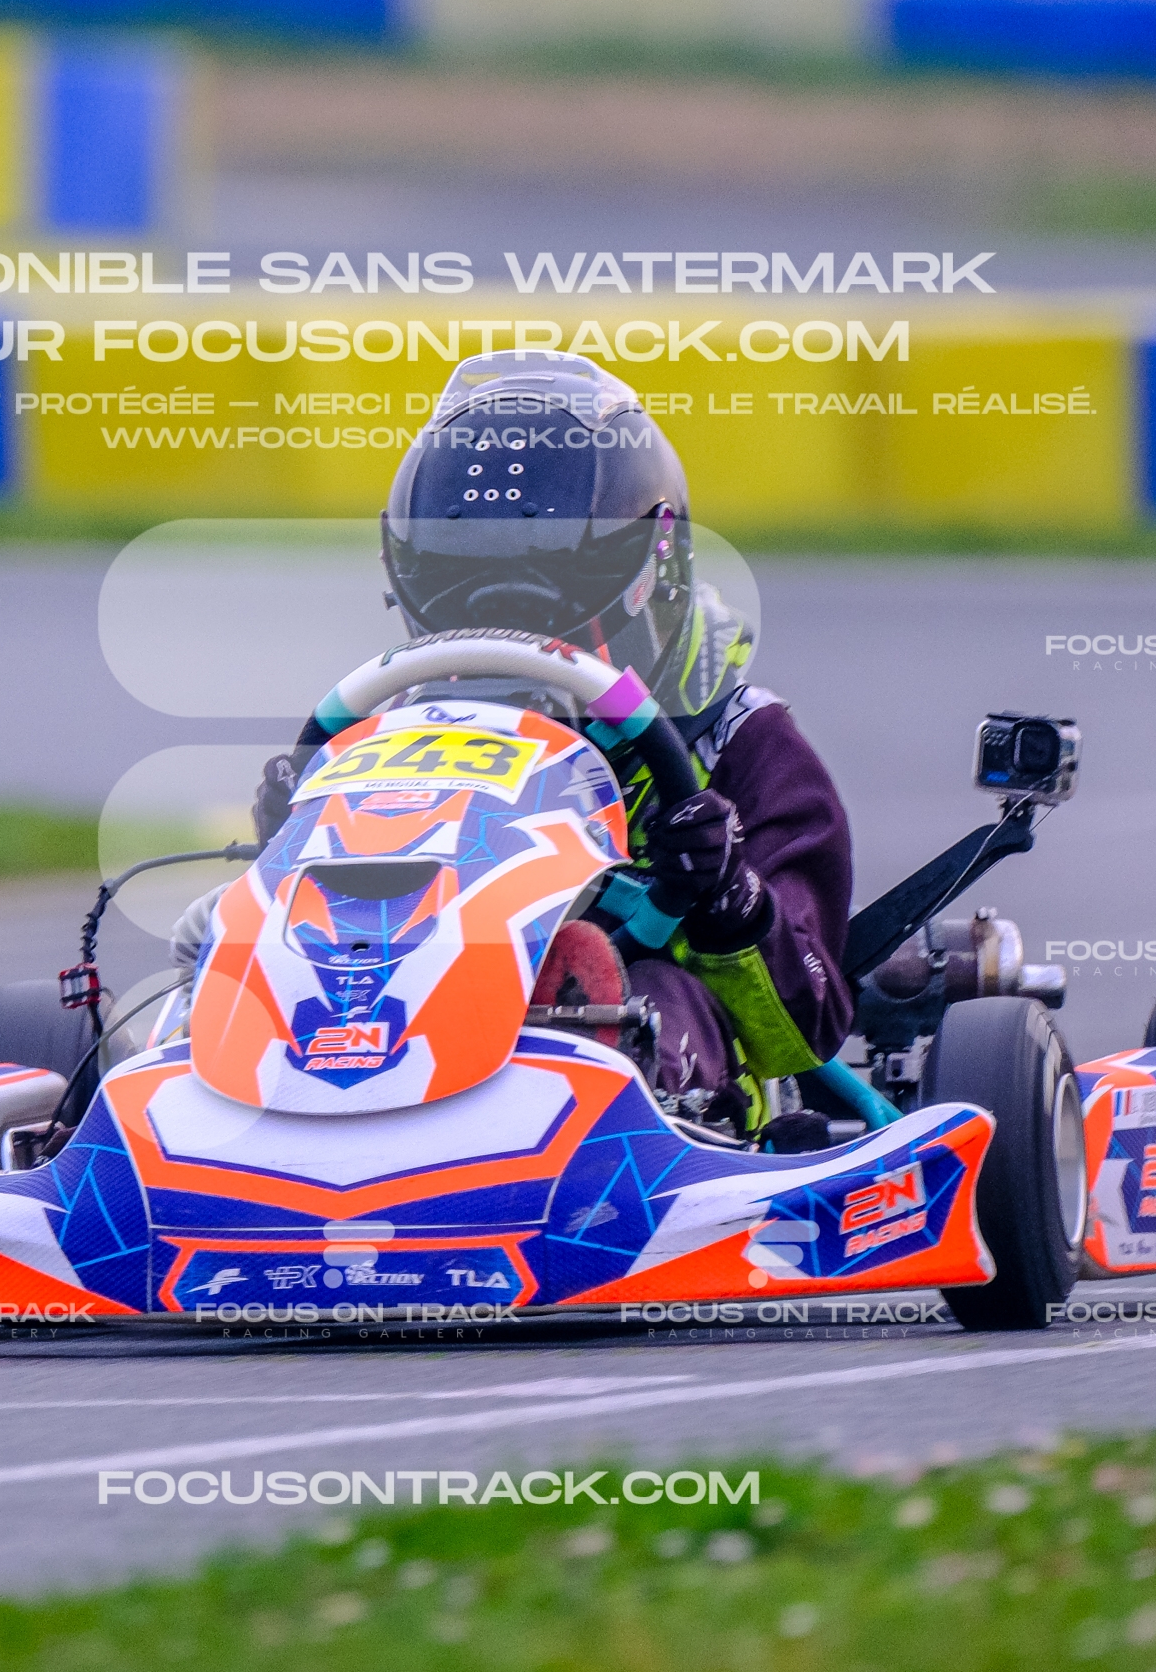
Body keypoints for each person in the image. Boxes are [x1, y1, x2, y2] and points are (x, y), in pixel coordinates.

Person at [248, 349, 856, 1128]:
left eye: (547, 603)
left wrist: (726, 894)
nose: (513, 636)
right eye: (470, 597)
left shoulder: (741, 741)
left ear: (653, 568)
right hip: (411, 1023)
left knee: (643, 992)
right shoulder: (382, 734)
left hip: (658, 1082)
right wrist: (292, 842)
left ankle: (602, 1101)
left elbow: (810, 1026)